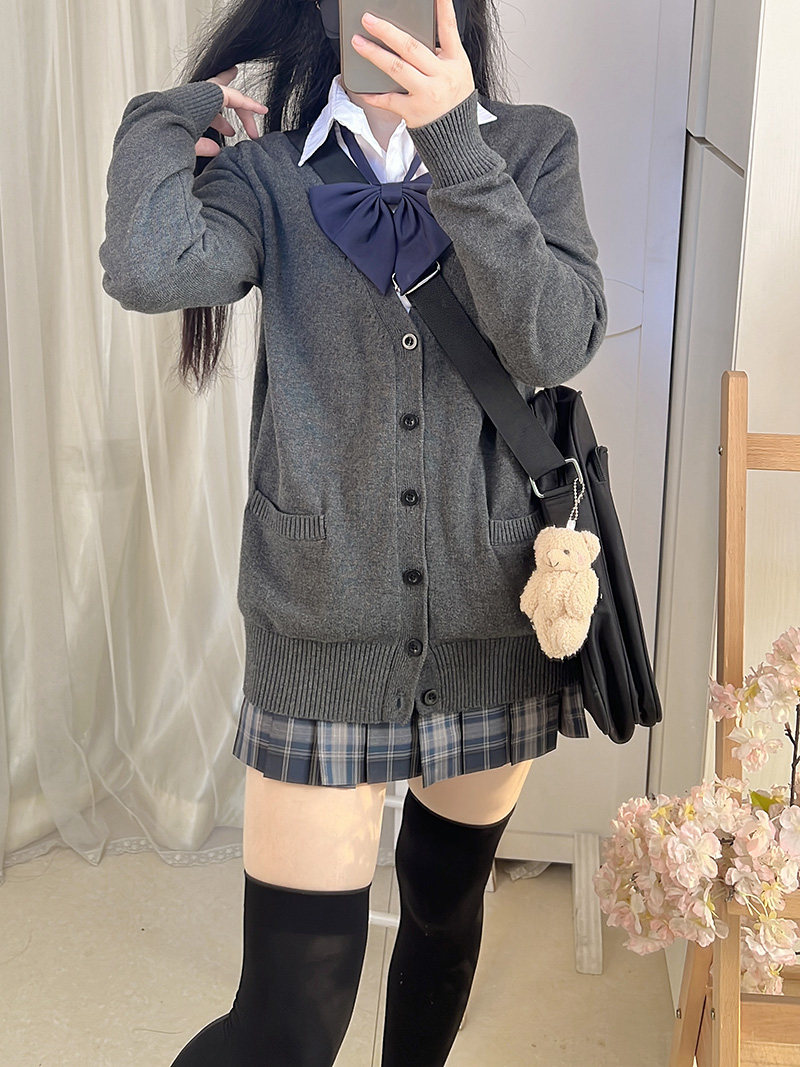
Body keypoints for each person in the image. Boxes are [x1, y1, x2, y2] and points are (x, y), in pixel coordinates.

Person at [98, 0, 608, 1062]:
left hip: (491, 623)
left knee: (441, 914)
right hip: (318, 629)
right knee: (286, 1021)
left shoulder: (529, 148)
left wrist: (454, 141)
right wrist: (174, 112)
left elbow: (556, 339)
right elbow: (146, 266)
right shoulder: (270, 175)